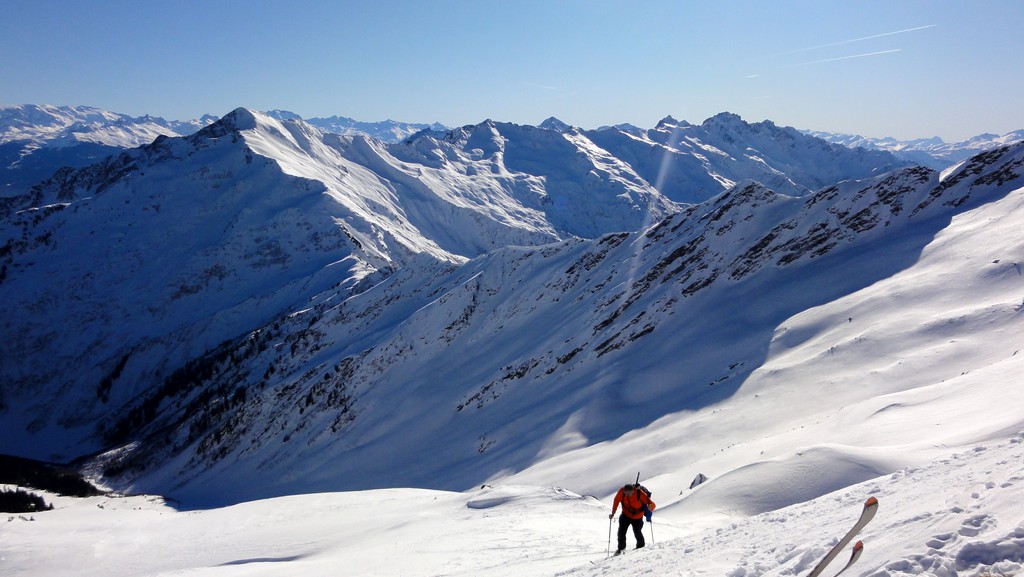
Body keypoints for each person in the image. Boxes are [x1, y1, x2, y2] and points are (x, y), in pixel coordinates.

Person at [609, 483, 655, 555]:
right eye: (626, 493)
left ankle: (640, 547)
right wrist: (613, 513)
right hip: (626, 514)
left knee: (637, 532)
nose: (628, 495)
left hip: (638, 516)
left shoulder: (640, 493)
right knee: (621, 531)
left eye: (629, 494)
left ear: (633, 490)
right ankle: (621, 548)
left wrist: (650, 507)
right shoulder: (621, 492)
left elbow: (652, 504)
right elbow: (616, 501)